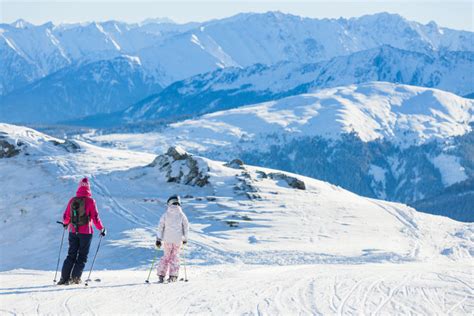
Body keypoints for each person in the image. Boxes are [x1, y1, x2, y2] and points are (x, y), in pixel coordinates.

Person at [57, 177, 106, 285]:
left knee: (71, 255)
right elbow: (95, 217)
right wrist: (101, 228)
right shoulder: (91, 201)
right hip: (86, 233)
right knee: (82, 256)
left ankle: (64, 279)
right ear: (89, 188)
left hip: (73, 231)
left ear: (79, 187)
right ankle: (75, 278)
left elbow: (66, 217)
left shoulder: (72, 200)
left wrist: (66, 224)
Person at [156, 195, 189, 283]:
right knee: (175, 256)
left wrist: (158, 239)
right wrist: (185, 238)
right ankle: (173, 276)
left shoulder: (165, 215)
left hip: (167, 240)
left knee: (166, 256)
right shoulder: (182, 215)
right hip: (177, 240)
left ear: (169, 203)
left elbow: (160, 227)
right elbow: (186, 227)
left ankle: (161, 275)